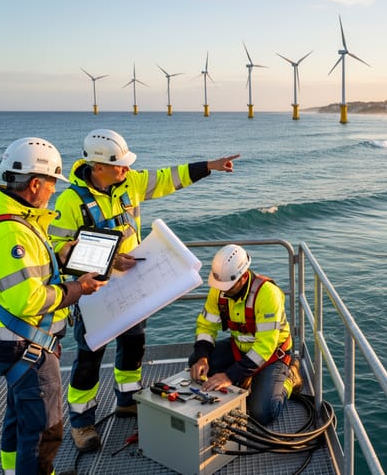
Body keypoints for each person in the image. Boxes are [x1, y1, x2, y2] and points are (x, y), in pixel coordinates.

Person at [48, 128, 240, 452]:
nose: (126, 169)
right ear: (97, 167)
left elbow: (168, 177)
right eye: (119, 165)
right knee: (89, 358)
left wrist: (210, 165)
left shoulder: (131, 183)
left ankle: (127, 400)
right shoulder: (70, 201)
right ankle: (82, 424)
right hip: (93, 292)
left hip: (134, 287)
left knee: (134, 344)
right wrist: (109, 263)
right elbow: (59, 250)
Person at [0, 137, 106, 474]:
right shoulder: (11, 234)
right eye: (50, 185)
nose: (52, 192)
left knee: (19, 416)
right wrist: (77, 288)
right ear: (34, 184)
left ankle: (12, 471)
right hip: (25, 346)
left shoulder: (18, 221)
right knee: (44, 431)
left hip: (12, 342)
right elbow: (28, 299)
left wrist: (60, 257)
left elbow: (28, 274)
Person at [188, 244, 302, 425]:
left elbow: (265, 347)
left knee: (262, 413)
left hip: (271, 356)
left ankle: (289, 378)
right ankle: (247, 376)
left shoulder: (268, 295)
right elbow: (206, 326)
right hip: (239, 349)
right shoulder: (219, 289)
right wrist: (202, 357)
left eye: (228, 286)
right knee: (195, 363)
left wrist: (230, 376)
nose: (222, 290)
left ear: (242, 277)